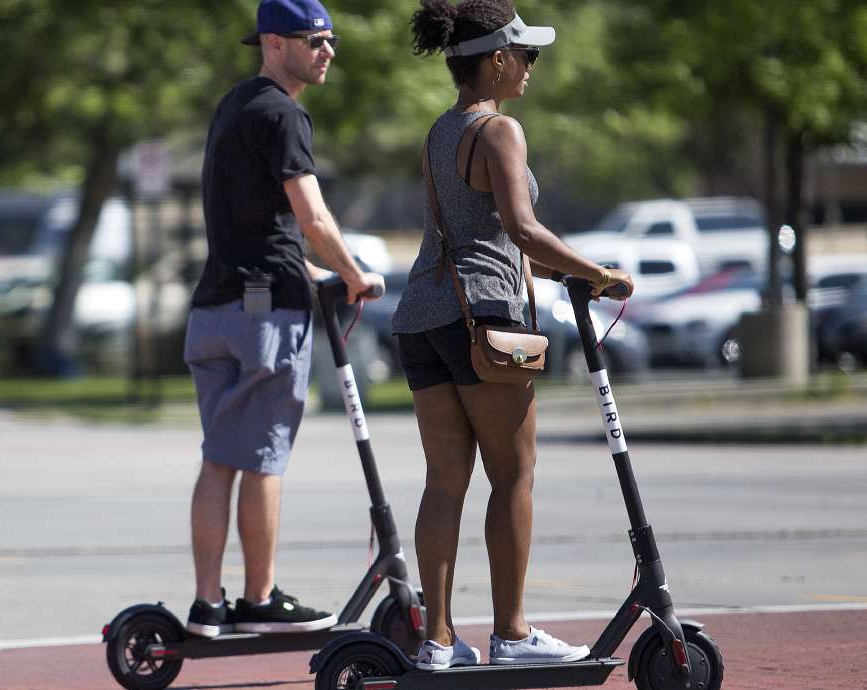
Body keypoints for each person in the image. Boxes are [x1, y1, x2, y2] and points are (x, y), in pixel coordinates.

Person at [393, 0, 635, 670]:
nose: (531, 67)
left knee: (444, 481)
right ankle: (513, 634)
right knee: (516, 473)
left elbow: (475, 227)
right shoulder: (499, 132)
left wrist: (558, 274)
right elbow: (521, 229)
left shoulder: (440, 131)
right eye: (527, 55)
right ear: (496, 59)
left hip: (422, 315)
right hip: (484, 320)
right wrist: (602, 274)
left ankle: (437, 643)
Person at [183, 0, 384, 638]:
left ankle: (209, 604)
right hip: (263, 314)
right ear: (273, 43)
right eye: (314, 40)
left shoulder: (234, 105)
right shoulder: (284, 112)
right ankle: (258, 597)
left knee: (220, 457)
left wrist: (312, 270)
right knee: (263, 458)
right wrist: (354, 275)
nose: (327, 51)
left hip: (215, 307)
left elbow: (255, 218)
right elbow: (312, 218)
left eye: (331, 40)